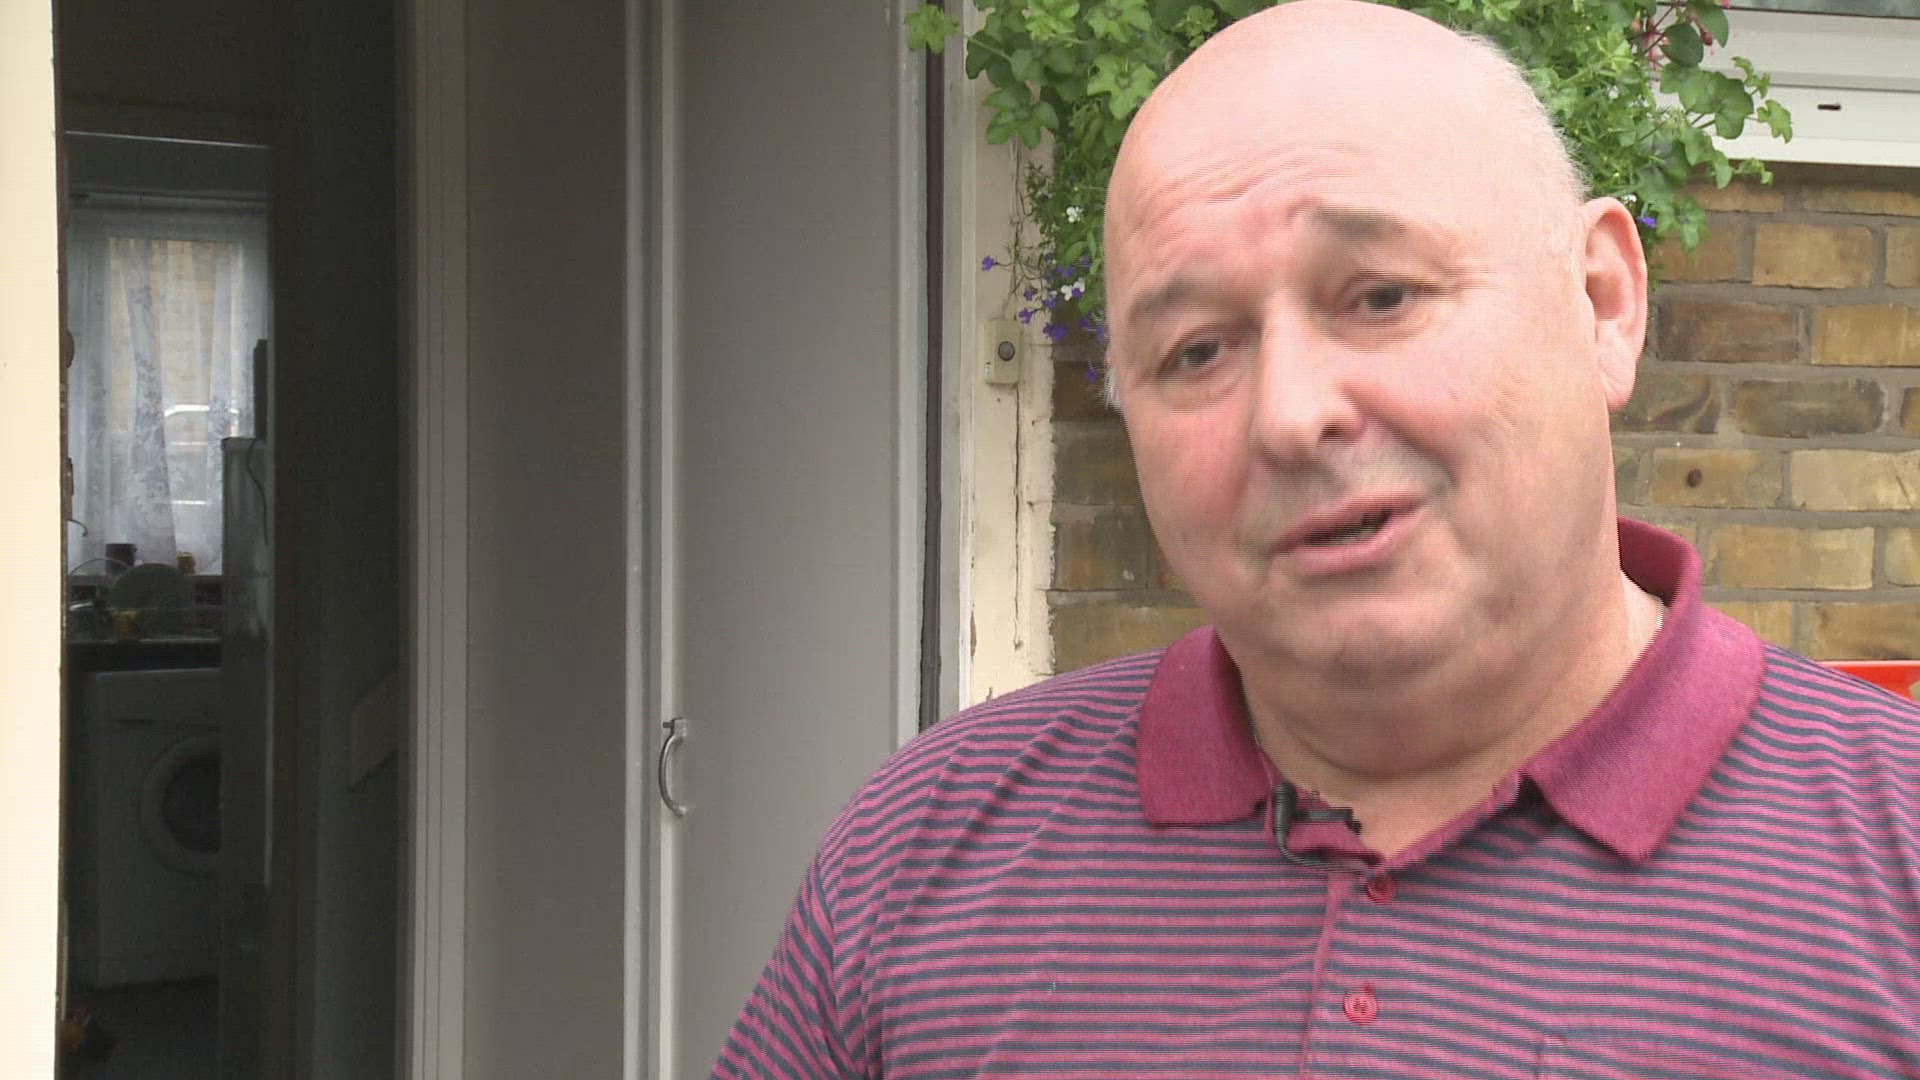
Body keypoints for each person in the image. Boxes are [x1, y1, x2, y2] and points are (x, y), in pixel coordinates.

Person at [712, 1, 1920, 1075]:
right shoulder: (924, 851)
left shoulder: (1891, 855)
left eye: (1381, 296)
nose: (1290, 416)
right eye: (1197, 350)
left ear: (1602, 302)